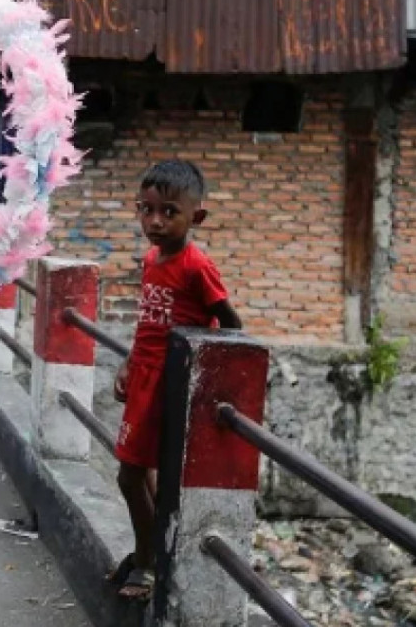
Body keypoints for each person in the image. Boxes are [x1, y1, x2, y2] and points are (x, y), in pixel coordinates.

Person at [107, 160, 242, 600]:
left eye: (168, 211)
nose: (155, 221)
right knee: (137, 472)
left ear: (195, 218)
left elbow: (230, 324)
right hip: (144, 379)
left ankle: (147, 563)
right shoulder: (151, 259)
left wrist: (211, 384)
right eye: (146, 210)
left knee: (132, 477)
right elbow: (150, 323)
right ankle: (150, 552)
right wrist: (129, 364)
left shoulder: (196, 266)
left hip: (171, 384)